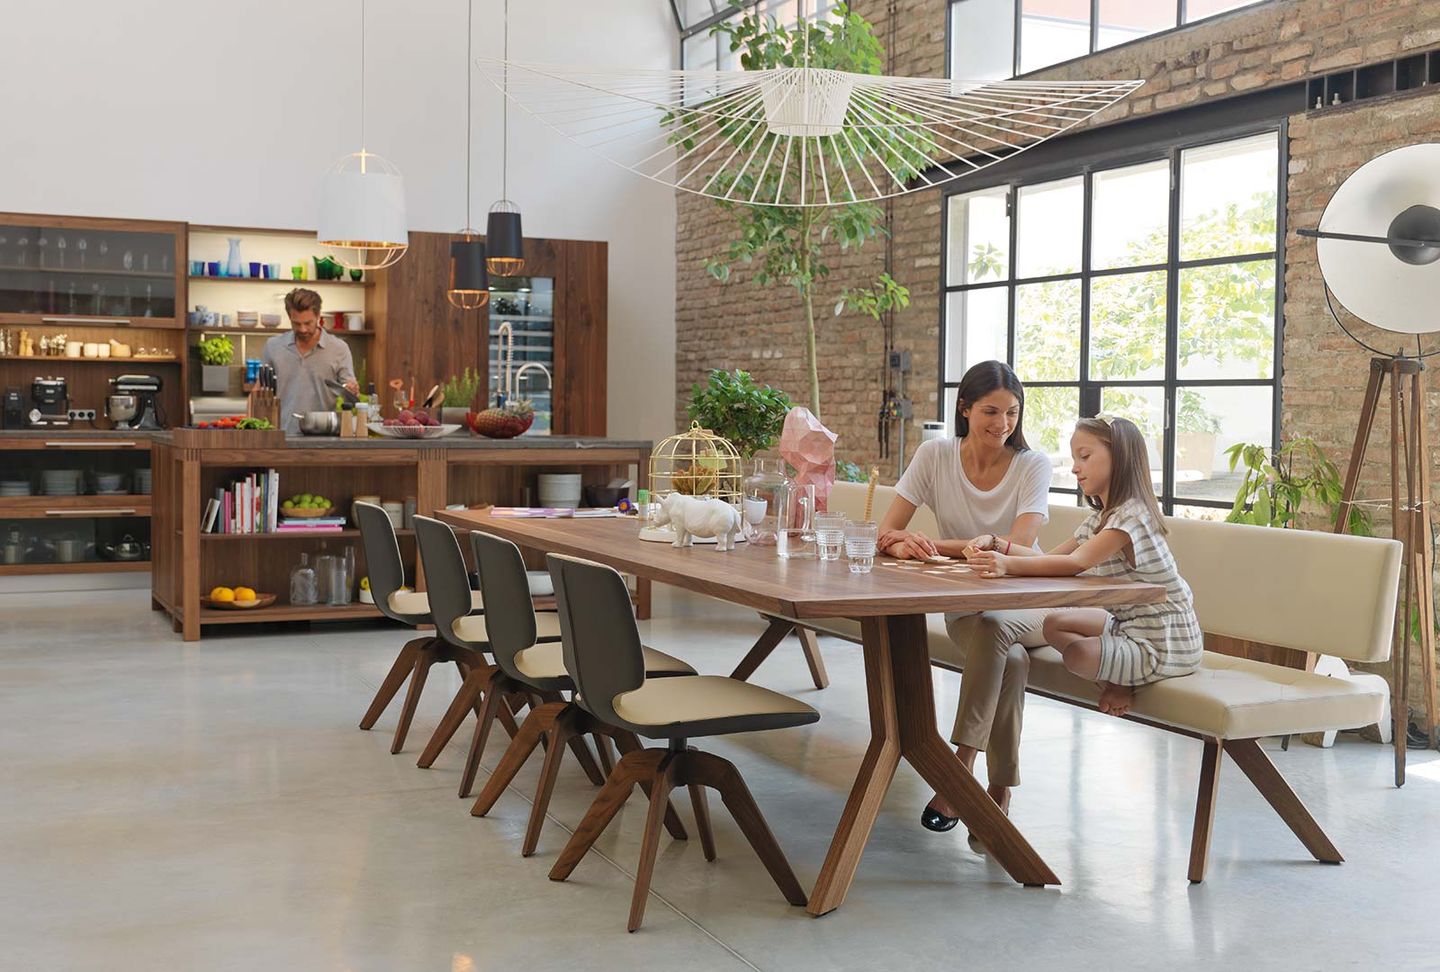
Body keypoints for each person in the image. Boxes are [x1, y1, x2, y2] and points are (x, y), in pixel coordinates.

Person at [877, 360, 1053, 839]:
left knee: (999, 629)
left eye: (1013, 413)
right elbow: (886, 530)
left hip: (1028, 599)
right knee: (1011, 660)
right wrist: (902, 542)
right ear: (964, 409)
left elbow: (1016, 546)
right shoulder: (935, 457)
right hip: (967, 606)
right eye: (991, 411)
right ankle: (999, 792)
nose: (1003, 424)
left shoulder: (1032, 465)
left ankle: (959, 769)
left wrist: (939, 544)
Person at [966, 414, 1203, 721]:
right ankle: (1119, 674)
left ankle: (1120, 683)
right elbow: (1048, 558)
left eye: (1085, 456)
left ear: (1118, 457)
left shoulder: (1131, 516)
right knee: (1053, 624)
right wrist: (998, 544)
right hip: (1130, 627)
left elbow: (1075, 564)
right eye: (1074, 457)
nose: (1076, 467)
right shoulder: (1102, 517)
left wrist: (1006, 566)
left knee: (1078, 655)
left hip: (1164, 642)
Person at [261, 288, 358, 433]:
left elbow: (349, 394)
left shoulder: (339, 348)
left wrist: (351, 389)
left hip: (324, 436)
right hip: (281, 436)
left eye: (308, 323)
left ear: (318, 316)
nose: (303, 329)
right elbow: (260, 391)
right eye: (296, 323)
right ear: (289, 317)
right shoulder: (273, 346)